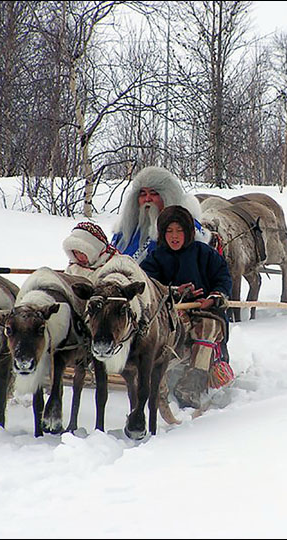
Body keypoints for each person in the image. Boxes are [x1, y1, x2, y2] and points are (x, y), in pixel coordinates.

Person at [140, 205, 233, 409]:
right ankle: (158, 375)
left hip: (204, 310)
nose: (174, 236)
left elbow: (223, 277)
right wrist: (172, 291)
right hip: (169, 312)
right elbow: (146, 284)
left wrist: (213, 297)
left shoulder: (204, 253)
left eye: (179, 230)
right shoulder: (155, 257)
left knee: (208, 327)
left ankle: (193, 384)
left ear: (189, 232)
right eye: (169, 231)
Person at [112, 165, 211, 264]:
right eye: (143, 194)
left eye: (153, 193)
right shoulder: (125, 230)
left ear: (167, 196)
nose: (147, 199)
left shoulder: (187, 227)